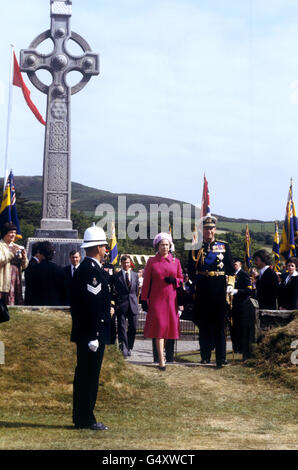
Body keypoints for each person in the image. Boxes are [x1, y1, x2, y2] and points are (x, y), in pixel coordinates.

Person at [70, 225, 112, 431]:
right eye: (104, 246)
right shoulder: (90, 271)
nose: (107, 250)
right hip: (91, 335)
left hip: (89, 333)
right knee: (88, 377)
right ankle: (85, 418)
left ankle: (82, 417)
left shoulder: (89, 269)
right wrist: (94, 334)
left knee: (86, 376)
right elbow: (91, 306)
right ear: (97, 247)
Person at [188, 215, 235, 368]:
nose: (209, 230)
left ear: (215, 229)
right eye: (206, 228)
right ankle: (205, 356)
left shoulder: (224, 246)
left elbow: (230, 269)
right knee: (204, 324)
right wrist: (194, 284)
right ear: (202, 229)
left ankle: (221, 358)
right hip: (202, 289)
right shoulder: (195, 247)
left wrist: (230, 284)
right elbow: (190, 270)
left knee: (220, 325)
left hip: (219, 288)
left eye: (211, 228)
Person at [141, 232, 183, 370]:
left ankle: (162, 355)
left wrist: (175, 280)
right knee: (159, 328)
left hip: (171, 299)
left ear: (170, 246)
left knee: (166, 329)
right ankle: (161, 360)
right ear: (157, 246)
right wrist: (143, 299)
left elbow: (181, 280)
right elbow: (146, 282)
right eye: (162, 245)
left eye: (167, 244)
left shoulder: (175, 262)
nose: (164, 247)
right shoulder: (152, 261)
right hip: (157, 299)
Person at [114, 255, 139, 358]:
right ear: (121, 263)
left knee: (133, 328)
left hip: (133, 305)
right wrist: (117, 304)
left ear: (130, 263)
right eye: (124, 263)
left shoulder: (135, 275)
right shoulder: (117, 276)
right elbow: (114, 291)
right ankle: (123, 348)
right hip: (121, 305)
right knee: (122, 328)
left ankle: (129, 347)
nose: (126, 264)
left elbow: (136, 291)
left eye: (128, 262)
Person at [29, 241, 67, 306]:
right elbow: (64, 291)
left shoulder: (34, 269)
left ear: (40, 253)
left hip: (38, 305)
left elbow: (31, 290)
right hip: (56, 305)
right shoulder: (60, 270)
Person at [0, 222, 28, 305]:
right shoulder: (1, 246)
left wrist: (24, 258)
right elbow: (1, 260)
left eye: (15, 233)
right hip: (4, 279)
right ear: (5, 233)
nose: (13, 235)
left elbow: (24, 266)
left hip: (16, 277)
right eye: (11, 232)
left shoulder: (17, 246)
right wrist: (12, 254)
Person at [229, 258, 252, 354]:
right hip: (232, 304)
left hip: (240, 305)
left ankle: (241, 348)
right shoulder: (231, 275)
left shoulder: (244, 274)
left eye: (236, 264)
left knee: (240, 327)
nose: (234, 265)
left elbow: (248, 291)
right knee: (232, 327)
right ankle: (235, 347)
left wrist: (237, 291)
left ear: (240, 264)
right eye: (233, 264)